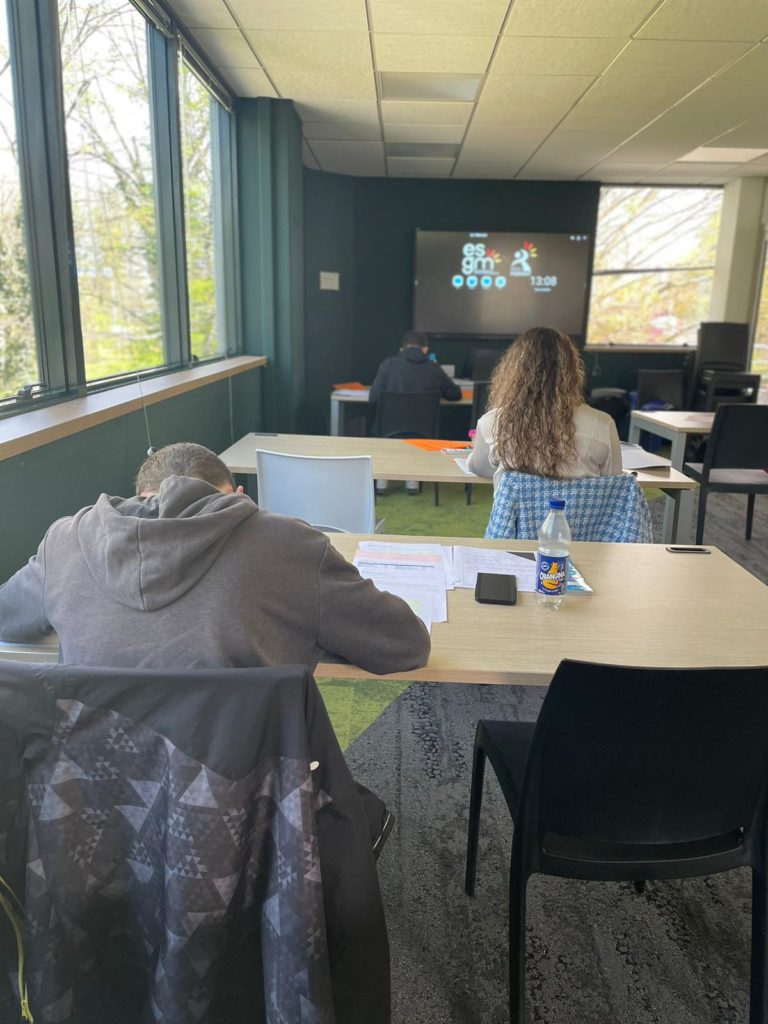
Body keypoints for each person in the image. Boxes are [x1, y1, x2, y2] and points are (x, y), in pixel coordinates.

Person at [0, 442, 431, 675]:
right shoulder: (291, 545)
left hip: (96, 798)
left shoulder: (64, 540)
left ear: (138, 496)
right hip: (241, 800)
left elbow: (6, 618)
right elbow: (405, 646)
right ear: (239, 498)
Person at [467, 325, 622, 487]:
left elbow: (480, 469)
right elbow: (614, 481)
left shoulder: (492, 422)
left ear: (514, 373)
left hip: (518, 513)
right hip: (582, 513)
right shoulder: (603, 424)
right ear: (572, 373)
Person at [369, 329, 462, 493]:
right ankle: (413, 482)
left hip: (388, 430)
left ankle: (381, 483)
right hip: (424, 433)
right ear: (425, 349)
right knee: (413, 434)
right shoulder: (433, 368)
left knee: (391, 433)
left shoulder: (388, 364)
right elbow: (455, 395)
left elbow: (374, 397)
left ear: (402, 348)